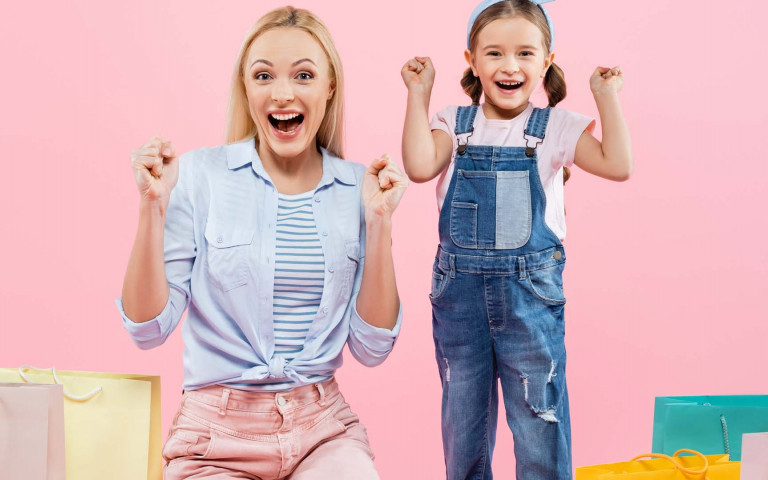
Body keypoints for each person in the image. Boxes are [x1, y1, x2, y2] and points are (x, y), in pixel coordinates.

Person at [117, 6, 407, 479]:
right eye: (264, 75)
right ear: (246, 88)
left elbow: (372, 347)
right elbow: (146, 330)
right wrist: (152, 208)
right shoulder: (197, 175)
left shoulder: (361, 188)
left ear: (329, 86)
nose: (283, 93)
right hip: (213, 436)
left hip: (322, 429)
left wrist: (379, 224)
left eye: (304, 75)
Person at [400, 0, 632, 478]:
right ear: (471, 61)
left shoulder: (557, 129)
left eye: (526, 54)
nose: (510, 66)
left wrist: (607, 97)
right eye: (494, 54)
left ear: (547, 61)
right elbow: (420, 167)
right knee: (463, 421)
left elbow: (618, 164)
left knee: (538, 419)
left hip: (530, 297)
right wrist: (417, 95)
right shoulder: (453, 124)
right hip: (459, 299)